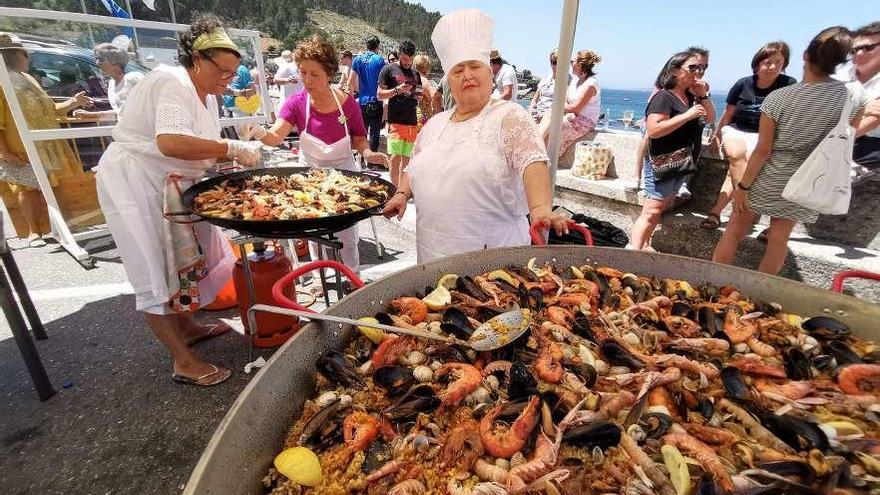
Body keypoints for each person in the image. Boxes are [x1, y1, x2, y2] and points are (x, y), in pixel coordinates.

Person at [94, 15, 262, 386]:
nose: (228, 79)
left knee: (178, 263)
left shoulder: (207, 97)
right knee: (153, 268)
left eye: (233, 73)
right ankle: (183, 361)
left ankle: (186, 326)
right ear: (197, 59)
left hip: (167, 182)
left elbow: (194, 144)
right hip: (136, 182)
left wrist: (228, 155)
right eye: (222, 70)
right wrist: (231, 146)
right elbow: (170, 141)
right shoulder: (172, 81)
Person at [382, 8, 567, 263]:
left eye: (474, 66)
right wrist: (402, 194)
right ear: (449, 82)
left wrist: (540, 209)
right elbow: (414, 169)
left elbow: (532, 162)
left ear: (490, 74)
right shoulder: (435, 124)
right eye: (458, 70)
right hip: (430, 256)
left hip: (492, 261)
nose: (467, 74)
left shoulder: (509, 115)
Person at [712, 27, 874, 275]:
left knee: (735, 229)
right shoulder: (856, 97)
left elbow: (763, 150)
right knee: (778, 241)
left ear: (806, 55)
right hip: (809, 180)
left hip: (770, 175)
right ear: (843, 61)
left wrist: (742, 188)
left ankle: (713, 285)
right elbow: (847, 139)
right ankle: (758, 297)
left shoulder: (779, 98)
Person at [247, 36, 389, 274]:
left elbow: (359, 139)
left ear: (329, 73)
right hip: (309, 176)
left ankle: (351, 274)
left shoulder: (348, 104)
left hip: (345, 177)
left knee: (347, 233)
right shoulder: (296, 103)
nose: (307, 80)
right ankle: (317, 276)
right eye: (303, 72)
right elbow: (275, 137)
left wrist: (369, 153)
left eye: (315, 74)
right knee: (312, 231)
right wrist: (258, 132)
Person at [0, 33, 92, 248]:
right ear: (15, 55)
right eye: (24, 53)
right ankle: (34, 232)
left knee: (49, 186)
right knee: (27, 189)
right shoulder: (2, 82)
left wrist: (73, 102)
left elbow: (49, 109)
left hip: (43, 144)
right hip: (20, 146)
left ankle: (57, 226)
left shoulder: (28, 78)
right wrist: (5, 152)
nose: (28, 57)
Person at [700, 42, 796, 230]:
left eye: (778, 62)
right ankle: (745, 205)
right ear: (757, 64)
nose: (773, 67)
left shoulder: (788, 85)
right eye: (768, 62)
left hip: (764, 135)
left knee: (740, 168)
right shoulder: (743, 84)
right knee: (736, 154)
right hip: (736, 130)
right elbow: (728, 114)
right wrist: (717, 134)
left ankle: (716, 212)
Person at [628, 51, 714, 251]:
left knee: (660, 208)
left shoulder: (691, 97)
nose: (698, 72)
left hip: (679, 161)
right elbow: (654, 130)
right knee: (651, 210)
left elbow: (710, 118)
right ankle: (633, 252)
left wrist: (703, 95)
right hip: (661, 160)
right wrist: (687, 116)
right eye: (692, 68)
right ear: (675, 70)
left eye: (700, 68)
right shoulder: (664, 97)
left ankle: (643, 245)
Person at [538, 49, 601, 156]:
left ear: (580, 65)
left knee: (555, 128)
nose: (570, 64)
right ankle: (536, 146)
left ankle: (540, 154)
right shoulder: (575, 80)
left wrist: (568, 109)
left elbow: (575, 108)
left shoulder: (591, 84)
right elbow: (565, 100)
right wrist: (568, 111)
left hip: (585, 121)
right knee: (549, 114)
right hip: (572, 116)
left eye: (572, 62)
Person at [378, 40, 422, 186]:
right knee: (394, 158)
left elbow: (420, 95)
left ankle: (401, 189)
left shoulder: (416, 73)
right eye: (404, 59)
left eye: (410, 59)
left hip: (411, 122)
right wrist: (397, 90)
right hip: (395, 122)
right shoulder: (388, 69)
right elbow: (379, 94)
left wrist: (416, 95)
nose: (408, 62)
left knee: (407, 160)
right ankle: (395, 189)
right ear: (399, 55)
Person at [73, 43, 145, 121]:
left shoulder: (133, 79)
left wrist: (90, 115)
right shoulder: (111, 84)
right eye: (96, 59)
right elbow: (119, 113)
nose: (97, 63)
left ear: (114, 62)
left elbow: (131, 112)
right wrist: (91, 104)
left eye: (100, 59)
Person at [848, 22, 880, 172]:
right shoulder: (841, 78)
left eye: (868, 48)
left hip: (870, 147)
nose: (859, 53)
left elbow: (871, 122)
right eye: (854, 49)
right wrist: (863, 110)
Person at [350, 36, 385, 162]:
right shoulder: (380, 60)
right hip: (376, 101)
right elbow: (382, 83)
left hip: (362, 101)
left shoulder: (357, 60)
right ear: (377, 46)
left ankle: (360, 158)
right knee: (375, 133)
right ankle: (371, 161)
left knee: (362, 133)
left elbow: (350, 83)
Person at [528, 49, 568, 123]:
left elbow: (565, 105)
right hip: (537, 114)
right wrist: (531, 111)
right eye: (554, 62)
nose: (555, 66)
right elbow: (535, 99)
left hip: (551, 118)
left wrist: (545, 116)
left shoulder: (568, 81)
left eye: (559, 63)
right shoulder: (546, 78)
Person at [273, 49, 302, 114]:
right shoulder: (285, 66)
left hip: (297, 101)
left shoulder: (300, 66)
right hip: (289, 102)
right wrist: (288, 80)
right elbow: (276, 79)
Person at [412, 53, 437, 128]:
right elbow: (434, 97)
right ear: (427, 68)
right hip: (423, 117)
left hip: (412, 116)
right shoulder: (424, 81)